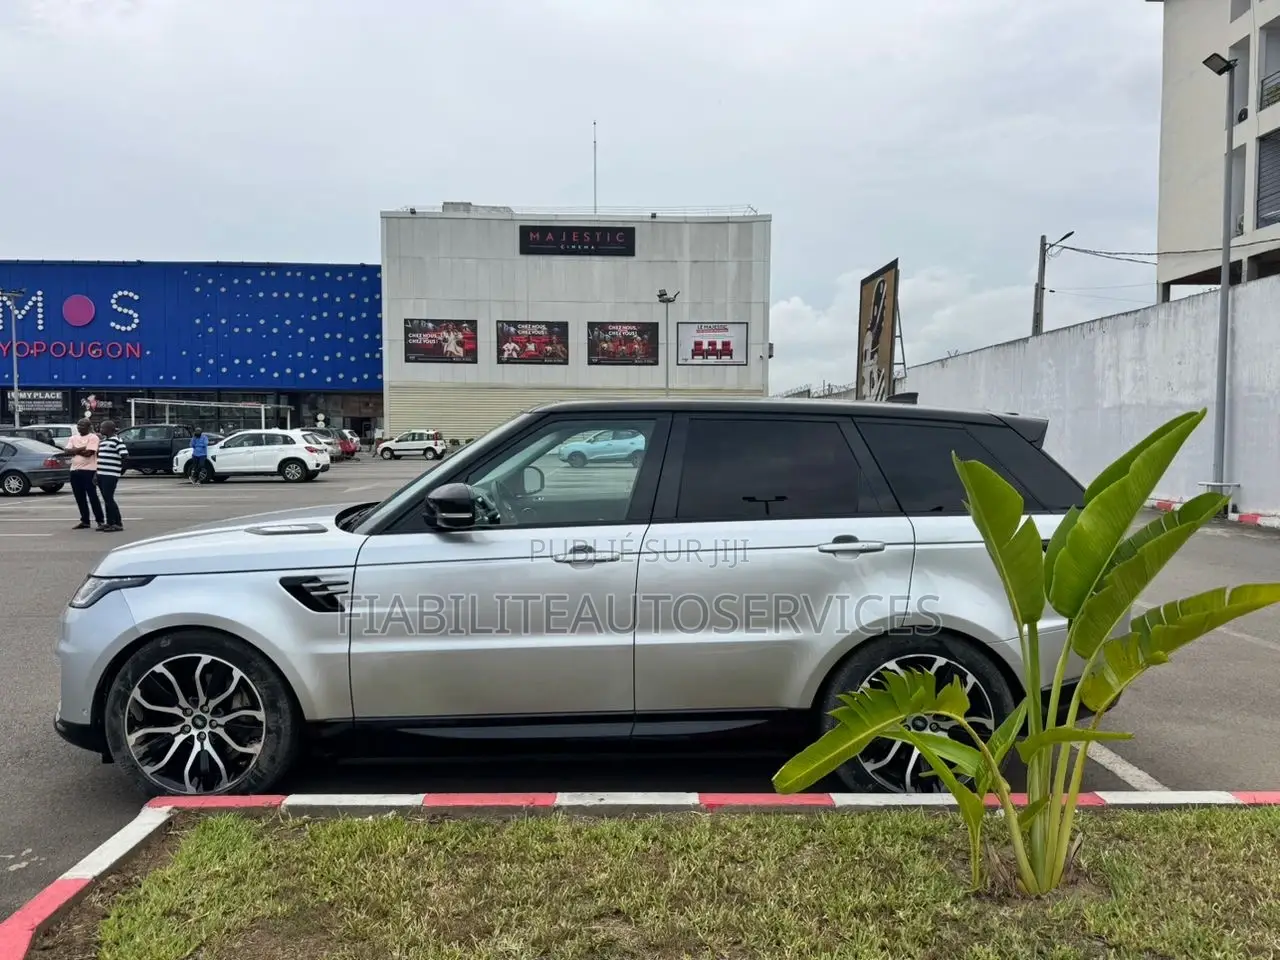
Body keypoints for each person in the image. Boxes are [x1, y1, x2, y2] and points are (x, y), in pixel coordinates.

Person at [66, 419, 105, 530]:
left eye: (82, 425)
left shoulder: (93, 437)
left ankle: (100, 520)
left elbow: (89, 453)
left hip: (89, 471)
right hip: (74, 471)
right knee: (79, 497)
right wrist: (83, 448)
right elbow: (66, 451)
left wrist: (74, 450)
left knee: (92, 496)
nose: (79, 427)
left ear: (88, 427)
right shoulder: (73, 438)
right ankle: (85, 521)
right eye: (78, 425)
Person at [95, 420, 128, 533]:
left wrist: (119, 470)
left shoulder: (117, 441)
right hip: (101, 474)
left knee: (109, 499)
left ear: (110, 429)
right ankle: (109, 522)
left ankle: (117, 523)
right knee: (106, 499)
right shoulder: (103, 441)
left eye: (102, 428)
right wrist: (96, 473)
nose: (100, 430)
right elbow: (99, 459)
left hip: (111, 474)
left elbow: (125, 456)